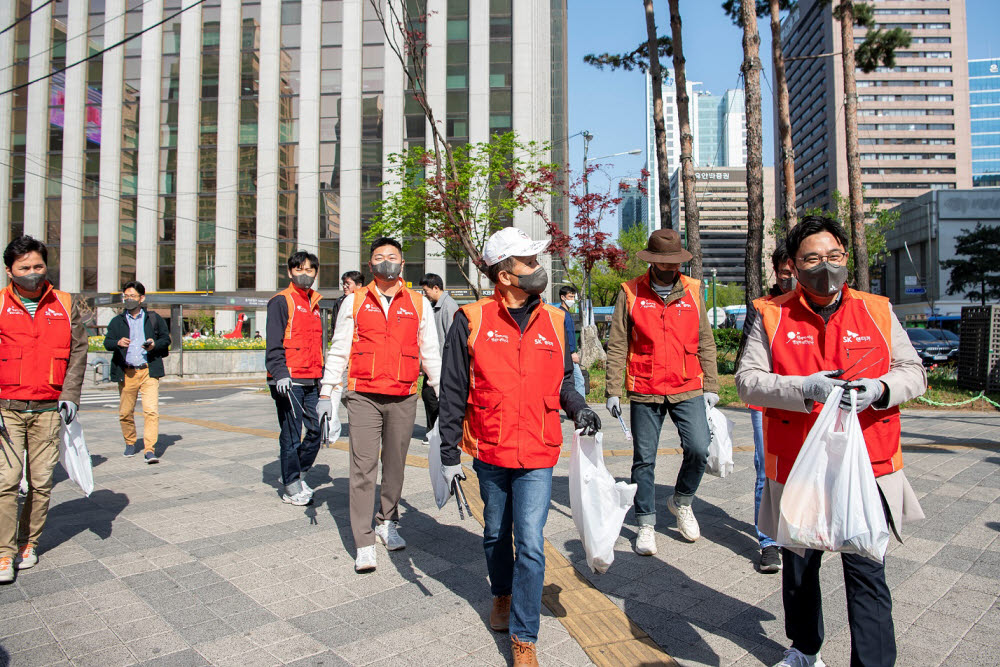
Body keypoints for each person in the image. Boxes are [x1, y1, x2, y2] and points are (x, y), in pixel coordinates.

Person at [735, 215, 926, 667]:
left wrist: (879, 389)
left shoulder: (877, 310)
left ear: (847, 257)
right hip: (800, 464)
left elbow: (913, 371)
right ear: (793, 266)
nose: (826, 266)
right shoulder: (772, 313)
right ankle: (804, 648)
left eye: (834, 256)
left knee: (867, 571)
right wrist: (805, 387)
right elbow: (747, 382)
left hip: (869, 464)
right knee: (800, 569)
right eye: (812, 258)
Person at [437, 227, 601, 666]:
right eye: (528, 262)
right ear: (505, 274)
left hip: (538, 448)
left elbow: (564, 380)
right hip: (490, 447)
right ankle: (501, 594)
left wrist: (579, 406)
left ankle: (524, 636)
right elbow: (452, 388)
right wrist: (448, 453)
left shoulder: (557, 320)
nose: (537, 268)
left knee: (529, 540)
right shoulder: (470, 319)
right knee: (495, 533)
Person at [318, 238, 441, 573]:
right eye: (379, 257)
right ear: (370, 266)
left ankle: (388, 519)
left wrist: (441, 391)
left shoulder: (417, 303)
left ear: (402, 265)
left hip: (403, 394)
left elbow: (429, 350)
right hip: (363, 395)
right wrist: (327, 392)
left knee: (397, 465)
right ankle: (364, 540)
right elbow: (340, 348)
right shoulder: (354, 301)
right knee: (362, 468)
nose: (386, 262)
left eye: (392, 257)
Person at [604, 229, 719, 554]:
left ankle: (681, 501)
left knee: (699, 448)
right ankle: (645, 524)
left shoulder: (693, 291)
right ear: (653, 261)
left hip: (687, 384)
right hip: (645, 386)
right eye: (664, 262)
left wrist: (711, 384)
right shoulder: (630, 292)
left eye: (674, 262)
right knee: (644, 460)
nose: (670, 268)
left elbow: (706, 341)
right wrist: (613, 388)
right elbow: (617, 344)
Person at [0, 236, 88, 583]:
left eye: (38, 266)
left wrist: (70, 394)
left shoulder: (65, 304)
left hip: (48, 408)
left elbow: (78, 351)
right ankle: (3, 553)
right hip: (7, 408)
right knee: (6, 482)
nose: (33, 273)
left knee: (40, 482)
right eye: (24, 268)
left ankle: (27, 544)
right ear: (10, 271)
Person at [739, 241, 796, 573]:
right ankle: (768, 541)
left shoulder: (811, 308)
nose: (789, 279)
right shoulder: (762, 307)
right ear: (776, 272)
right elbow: (749, 359)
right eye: (784, 273)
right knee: (767, 469)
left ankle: (797, 531)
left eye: (794, 273)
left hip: (805, 403)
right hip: (766, 402)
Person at [265, 251, 325, 506]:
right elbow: (274, 341)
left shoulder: (314, 303)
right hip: (288, 381)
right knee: (291, 434)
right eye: (299, 270)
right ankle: (291, 484)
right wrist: (279, 373)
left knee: (316, 428)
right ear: (290, 272)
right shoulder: (281, 301)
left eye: (309, 270)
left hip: (312, 378)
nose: (304, 274)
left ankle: (298, 473)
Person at [103, 281, 171, 463]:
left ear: (142, 298)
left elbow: (166, 339)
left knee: (151, 412)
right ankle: (130, 442)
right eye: (126, 296)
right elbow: (107, 342)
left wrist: (154, 344)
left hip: (148, 370)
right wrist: (118, 343)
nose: (128, 299)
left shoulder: (153, 318)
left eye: (132, 296)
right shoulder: (117, 321)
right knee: (125, 412)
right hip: (127, 372)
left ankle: (149, 449)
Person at [418, 272, 459, 435]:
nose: (425, 294)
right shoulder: (434, 306)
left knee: (432, 396)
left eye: (426, 290)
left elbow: (452, 338)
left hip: (443, 363)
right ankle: (433, 430)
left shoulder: (449, 306)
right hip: (435, 362)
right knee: (429, 396)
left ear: (436, 288)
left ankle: (436, 431)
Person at [558, 286, 586, 397]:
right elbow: (566, 335)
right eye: (570, 297)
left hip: (567, 354)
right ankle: (581, 408)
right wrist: (572, 352)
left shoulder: (566, 313)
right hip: (568, 354)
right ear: (562, 297)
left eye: (573, 297)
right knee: (579, 381)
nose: (572, 300)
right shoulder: (561, 314)